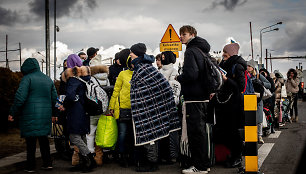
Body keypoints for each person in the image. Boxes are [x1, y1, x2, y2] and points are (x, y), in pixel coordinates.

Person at [129, 43, 180, 172]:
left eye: (131, 53)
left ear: (137, 54)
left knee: (150, 137)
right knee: (150, 137)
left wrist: (154, 102)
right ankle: (151, 162)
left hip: (148, 109)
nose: (130, 55)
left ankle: (152, 163)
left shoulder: (144, 68)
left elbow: (164, 87)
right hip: (146, 108)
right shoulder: (143, 67)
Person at [8, 58, 57, 172]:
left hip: (30, 115)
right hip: (45, 116)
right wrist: (55, 114)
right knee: (44, 140)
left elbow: (20, 98)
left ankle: (31, 167)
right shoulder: (48, 79)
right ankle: (48, 163)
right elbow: (55, 99)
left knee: (31, 142)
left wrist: (12, 112)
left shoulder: (27, 79)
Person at [176, 25, 212, 173]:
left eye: (184, 34)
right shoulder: (202, 50)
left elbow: (192, 75)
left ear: (192, 35)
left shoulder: (191, 51)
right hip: (203, 96)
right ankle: (204, 163)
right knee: (201, 132)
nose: (181, 37)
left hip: (194, 97)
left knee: (195, 133)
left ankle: (199, 167)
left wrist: (179, 77)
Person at [60, 54, 96, 172]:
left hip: (75, 111)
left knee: (73, 136)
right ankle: (84, 162)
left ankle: (89, 160)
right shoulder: (86, 77)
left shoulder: (73, 78)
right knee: (81, 136)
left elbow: (70, 96)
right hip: (84, 110)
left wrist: (63, 105)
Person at [213, 42, 246, 168]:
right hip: (224, 103)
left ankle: (237, 157)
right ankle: (228, 155)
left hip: (234, 104)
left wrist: (227, 80)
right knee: (225, 131)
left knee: (233, 132)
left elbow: (241, 86)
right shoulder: (224, 65)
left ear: (231, 54)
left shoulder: (237, 66)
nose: (223, 55)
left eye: (225, 53)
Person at [109, 49, 134, 168]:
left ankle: (131, 156)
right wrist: (111, 107)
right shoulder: (122, 74)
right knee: (123, 134)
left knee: (131, 134)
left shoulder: (138, 74)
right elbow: (116, 91)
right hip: (122, 109)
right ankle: (121, 156)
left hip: (135, 109)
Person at [87, 54, 109, 166]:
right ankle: (100, 156)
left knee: (91, 133)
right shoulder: (106, 77)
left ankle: (90, 155)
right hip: (104, 109)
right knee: (101, 133)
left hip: (93, 109)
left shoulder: (91, 79)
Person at [159, 51, 181, 164]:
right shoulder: (160, 71)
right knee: (162, 133)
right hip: (160, 106)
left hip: (171, 106)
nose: (162, 58)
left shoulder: (174, 71)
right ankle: (163, 155)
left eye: (164, 57)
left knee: (172, 132)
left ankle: (173, 155)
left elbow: (174, 89)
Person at [247, 60, 271, 144]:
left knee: (259, 118)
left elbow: (269, 85)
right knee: (249, 118)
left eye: (249, 66)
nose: (248, 67)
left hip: (258, 99)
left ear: (253, 67)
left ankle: (259, 136)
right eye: (247, 66)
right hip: (248, 99)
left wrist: (261, 82)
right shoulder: (245, 75)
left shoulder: (258, 76)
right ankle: (251, 136)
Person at [260, 68, 276, 133]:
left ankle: (272, 127)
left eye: (264, 73)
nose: (263, 74)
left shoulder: (269, 79)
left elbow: (273, 88)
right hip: (262, 99)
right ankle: (265, 127)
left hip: (270, 99)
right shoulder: (258, 79)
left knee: (271, 113)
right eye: (261, 73)